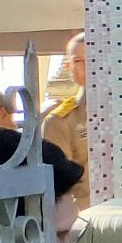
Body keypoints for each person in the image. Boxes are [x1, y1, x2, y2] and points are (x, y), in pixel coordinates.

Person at [41, 31, 88, 168]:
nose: (88, 66)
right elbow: (59, 180)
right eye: (79, 61)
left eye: (94, 59)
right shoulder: (59, 121)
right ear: (69, 67)